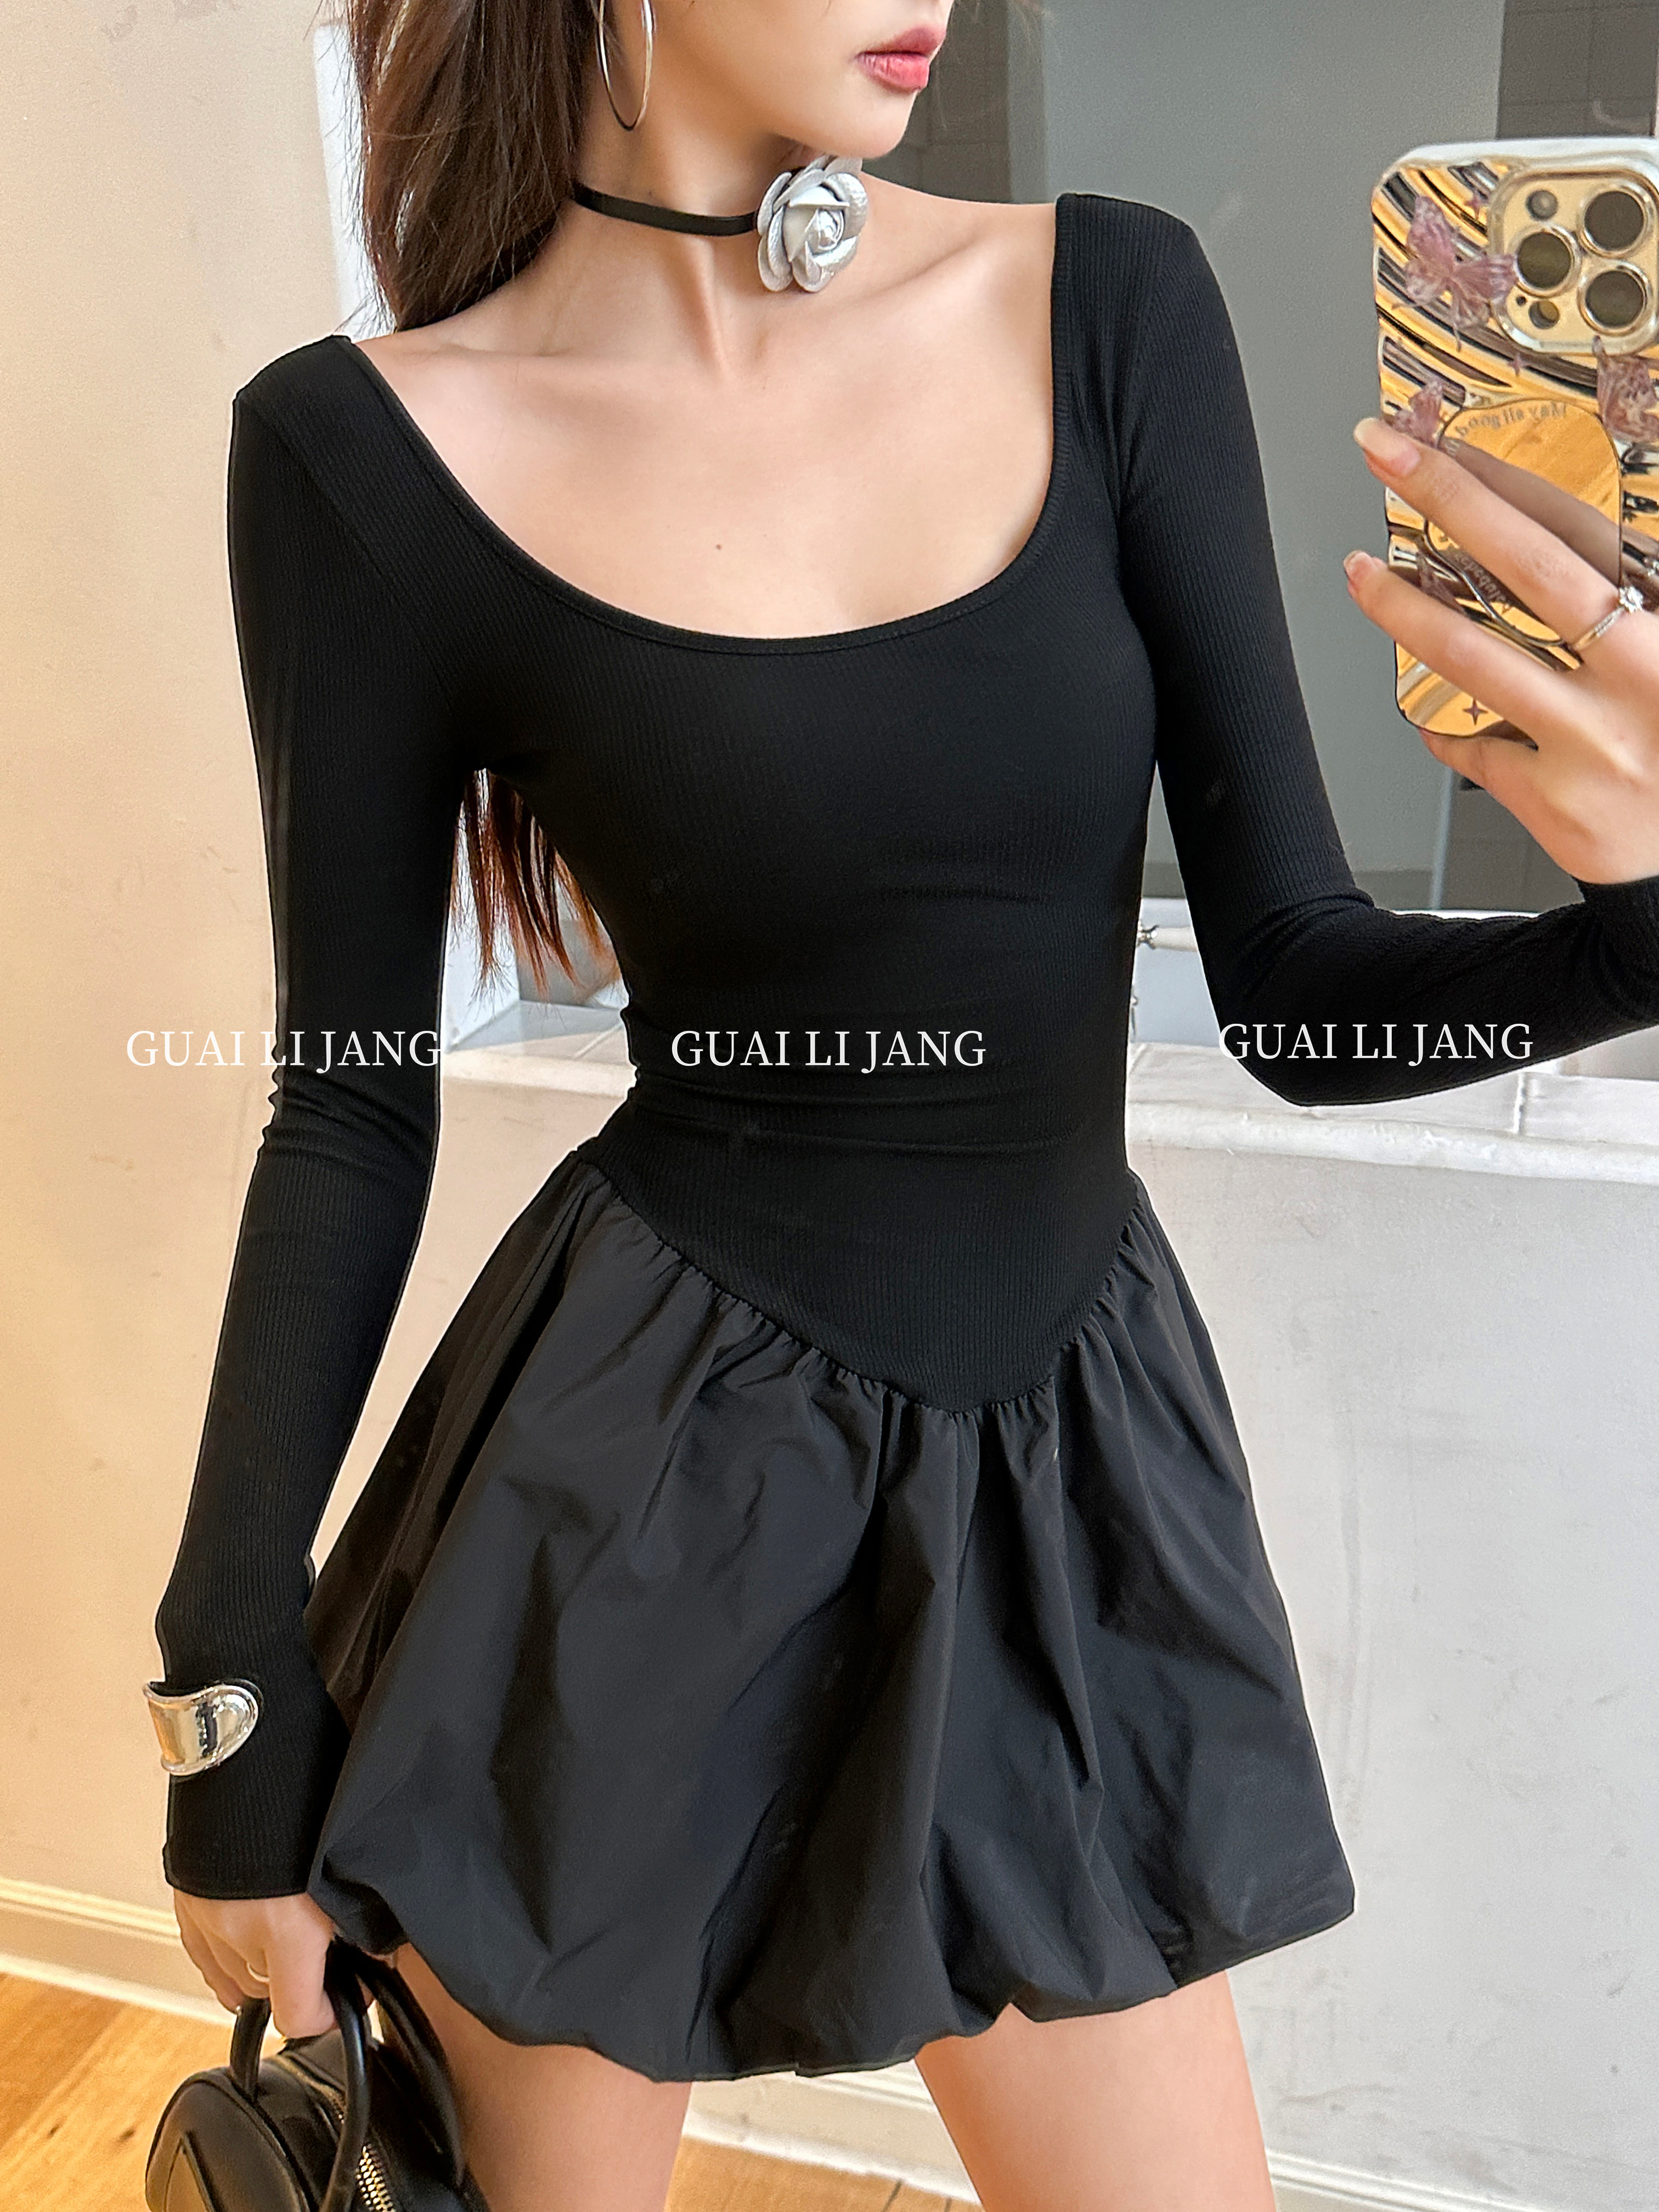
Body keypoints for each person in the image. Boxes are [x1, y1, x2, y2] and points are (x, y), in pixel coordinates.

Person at [146, 2, 1659, 2207]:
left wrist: (1634, 930)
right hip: (632, 1511)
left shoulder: (1107, 305)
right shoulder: (361, 453)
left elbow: (1300, 995)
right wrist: (224, 1700)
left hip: (1060, 1474)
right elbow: (349, 1111)